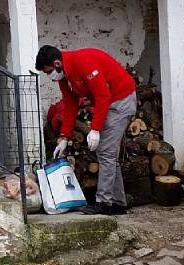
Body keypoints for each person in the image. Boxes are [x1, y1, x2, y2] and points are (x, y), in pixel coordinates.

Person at [35, 45, 137, 215]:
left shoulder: (82, 62)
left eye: (48, 71)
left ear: (57, 63)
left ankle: (104, 202)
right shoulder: (63, 75)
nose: (49, 76)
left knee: (105, 152)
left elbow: (103, 95)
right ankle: (118, 203)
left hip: (121, 99)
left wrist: (95, 129)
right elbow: (70, 104)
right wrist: (64, 137)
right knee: (108, 153)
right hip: (109, 101)